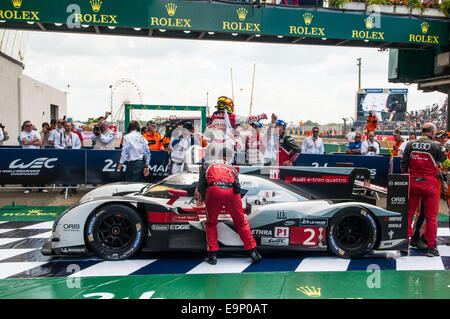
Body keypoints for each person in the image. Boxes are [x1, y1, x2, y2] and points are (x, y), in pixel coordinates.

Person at [197, 147, 262, 265]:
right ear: (230, 157)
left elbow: (201, 185)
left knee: (211, 223)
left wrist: (201, 198)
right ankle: (253, 253)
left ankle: (213, 256)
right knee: (241, 222)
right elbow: (238, 187)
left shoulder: (206, 164)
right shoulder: (231, 167)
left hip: (214, 190)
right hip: (232, 191)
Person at [401, 122, 450, 257]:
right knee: (431, 217)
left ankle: (404, 243)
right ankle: (431, 248)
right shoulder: (436, 146)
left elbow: (403, 164)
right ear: (433, 132)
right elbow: (446, 164)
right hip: (429, 184)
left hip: (413, 182)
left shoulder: (410, 144)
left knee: (409, 214)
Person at [20, 121, 44, 194]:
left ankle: (41, 188)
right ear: (24, 127)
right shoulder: (22, 133)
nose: (30, 126)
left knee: (39, 171)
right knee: (28, 171)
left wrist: (29, 142)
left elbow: (40, 143)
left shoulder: (36, 132)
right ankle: (28, 188)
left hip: (36, 154)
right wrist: (34, 140)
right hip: (27, 154)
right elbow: (25, 142)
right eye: (28, 126)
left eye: (31, 125)